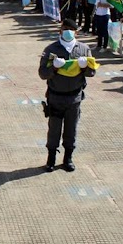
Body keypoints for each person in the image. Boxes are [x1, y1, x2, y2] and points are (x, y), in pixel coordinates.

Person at [38, 18, 97, 172]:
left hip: (74, 97)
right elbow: (42, 74)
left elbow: (92, 72)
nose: (68, 32)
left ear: (76, 32)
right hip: (56, 97)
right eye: (65, 29)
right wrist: (54, 68)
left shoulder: (83, 49)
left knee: (71, 129)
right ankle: (51, 158)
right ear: (60, 31)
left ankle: (68, 158)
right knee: (54, 129)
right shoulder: (51, 49)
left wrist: (85, 68)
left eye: (71, 29)